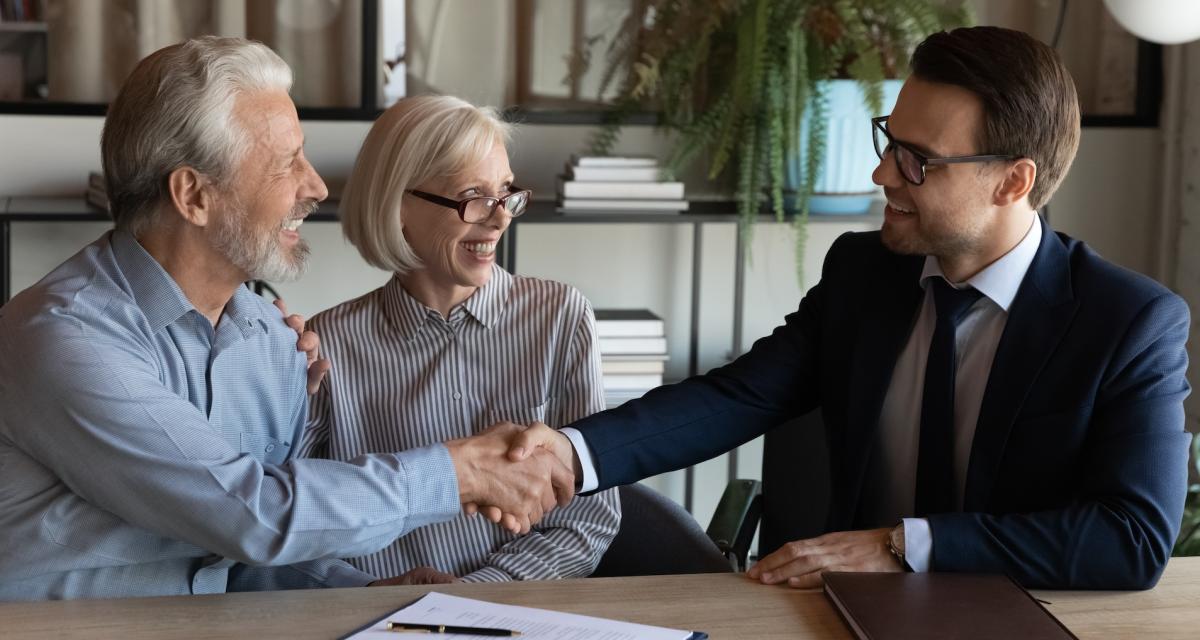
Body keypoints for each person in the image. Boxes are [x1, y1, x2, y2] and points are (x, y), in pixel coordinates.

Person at [514, 25, 1191, 590]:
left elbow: (1129, 540)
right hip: (845, 617)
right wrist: (572, 453)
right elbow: (735, 397)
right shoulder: (864, 273)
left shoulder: (1127, 323)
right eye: (889, 141)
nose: (883, 175)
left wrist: (903, 545)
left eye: (918, 160)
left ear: (1013, 181)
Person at [0, 36, 573, 602]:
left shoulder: (273, 341)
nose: (316, 187)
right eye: (285, 163)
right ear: (194, 195)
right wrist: (460, 472)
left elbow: (235, 560)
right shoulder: (63, 337)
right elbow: (253, 514)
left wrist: (362, 591)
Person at [295, 95, 620, 584]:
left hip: (522, 618)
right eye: (474, 195)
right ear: (399, 204)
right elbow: (292, 519)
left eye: (506, 193)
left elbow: (590, 518)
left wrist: (478, 592)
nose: (500, 218)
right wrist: (366, 590)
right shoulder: (328, 344)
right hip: (373, 619)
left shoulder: (560, 317)